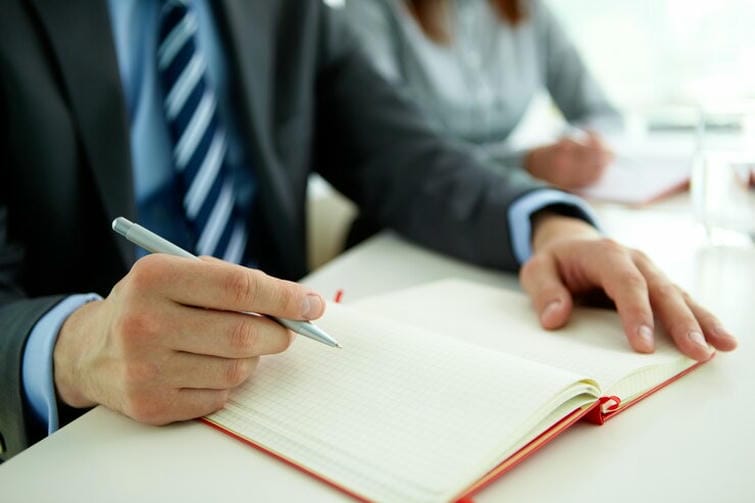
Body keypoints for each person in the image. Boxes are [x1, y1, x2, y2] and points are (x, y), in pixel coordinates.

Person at [0, 0, 736, 463]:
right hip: (95, 439)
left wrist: (546, 223)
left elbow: (402, 152)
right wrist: (76, 346)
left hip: (291, 380)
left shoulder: (290, 12)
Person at [343, 0, 620, 190]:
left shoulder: (527, 9)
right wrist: (524, 164)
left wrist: (582, 148)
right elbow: (392, 151)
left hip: (501, 198)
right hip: (411, 211)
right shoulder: (373, 9)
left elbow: (601, 113)